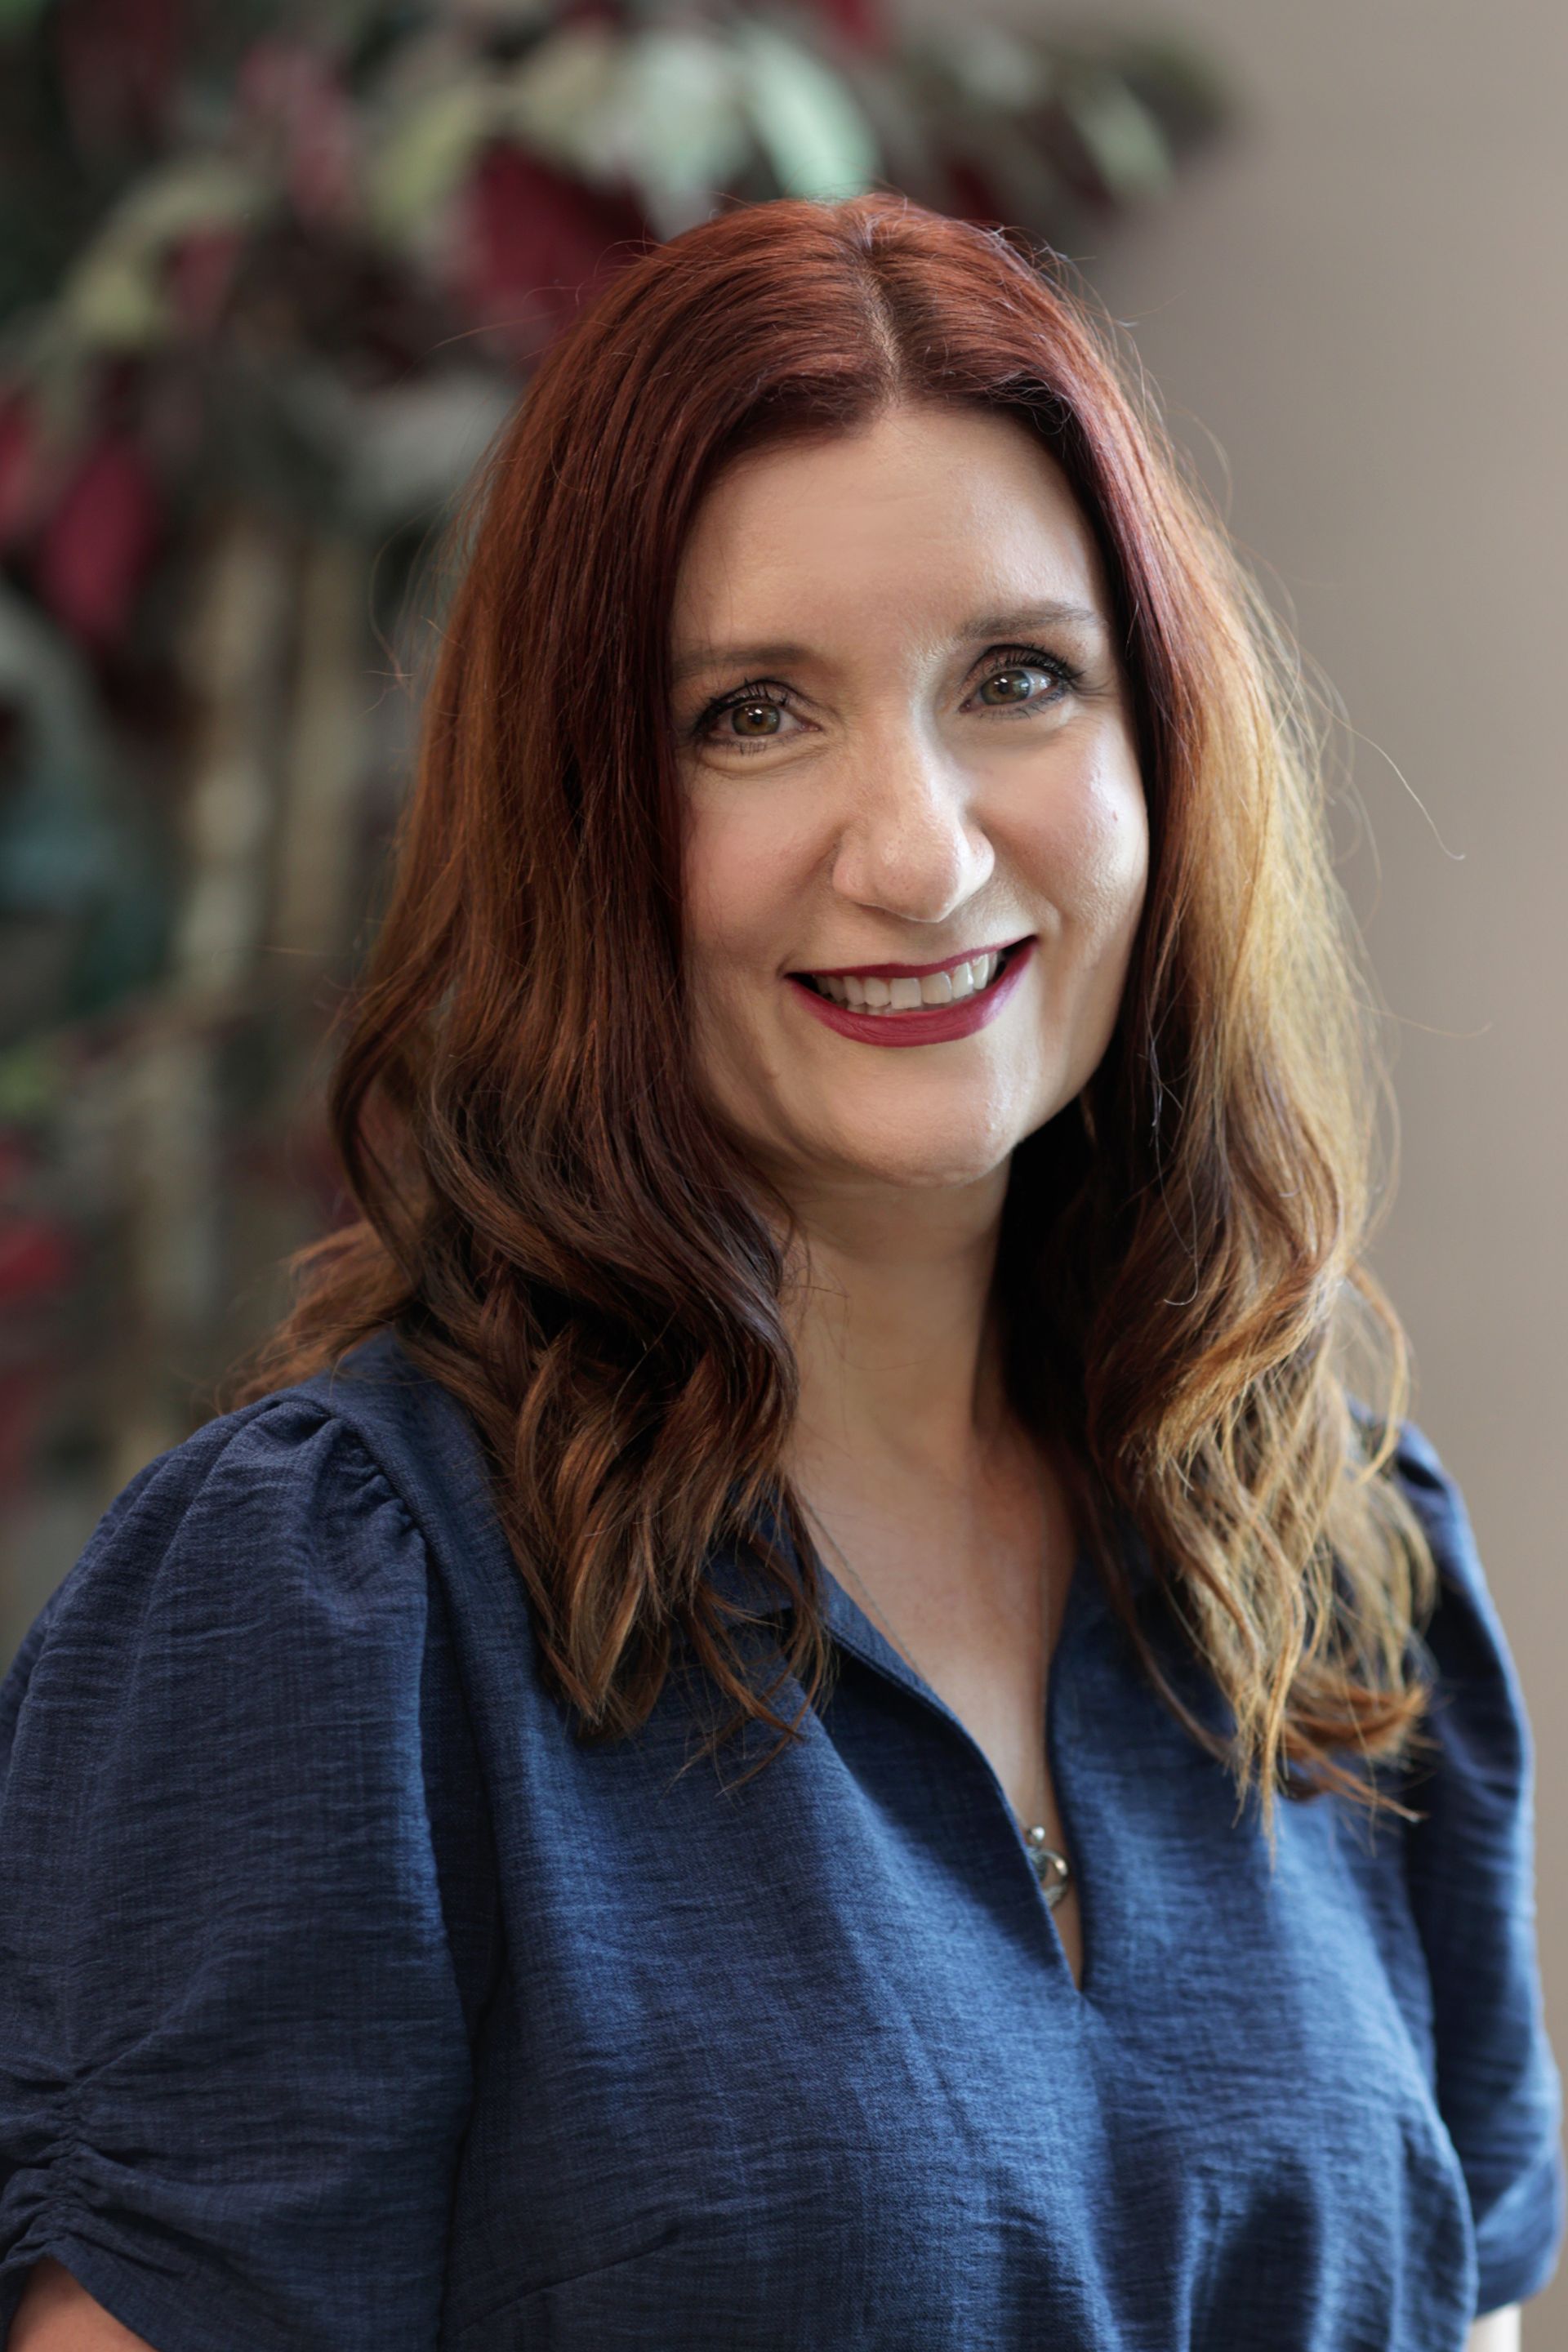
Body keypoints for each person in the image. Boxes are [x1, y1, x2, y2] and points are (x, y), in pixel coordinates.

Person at [0, 194, 1560, 2352]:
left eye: (1017, 678)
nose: (917, 851)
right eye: (750, 715)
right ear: (578, 822)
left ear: (1163, 754)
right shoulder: (336, 1613)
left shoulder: (1350, 1574)